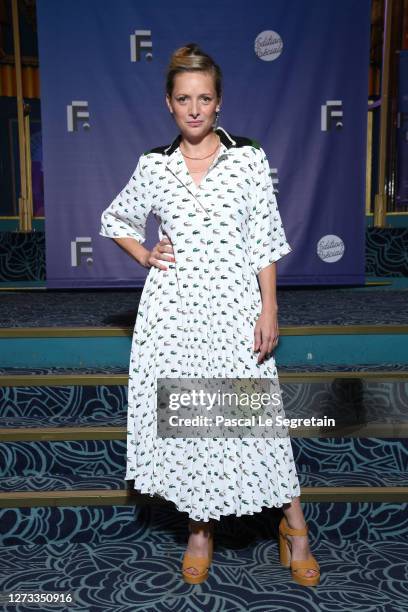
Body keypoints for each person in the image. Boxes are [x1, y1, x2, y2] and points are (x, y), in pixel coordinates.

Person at [99, 42, 320, 587]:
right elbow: (115, 217)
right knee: (193, 424)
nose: (193, 109)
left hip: (235, 309)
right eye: (183, 99)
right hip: (173, 316)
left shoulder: (248, 158)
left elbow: (265, 242)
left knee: (254, 421)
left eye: (204, 98)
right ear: (169, 105)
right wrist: (146, 254)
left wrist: (270, 308)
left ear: (219, 103)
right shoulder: (154, 165)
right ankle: (201, 531)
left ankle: (294, 524)